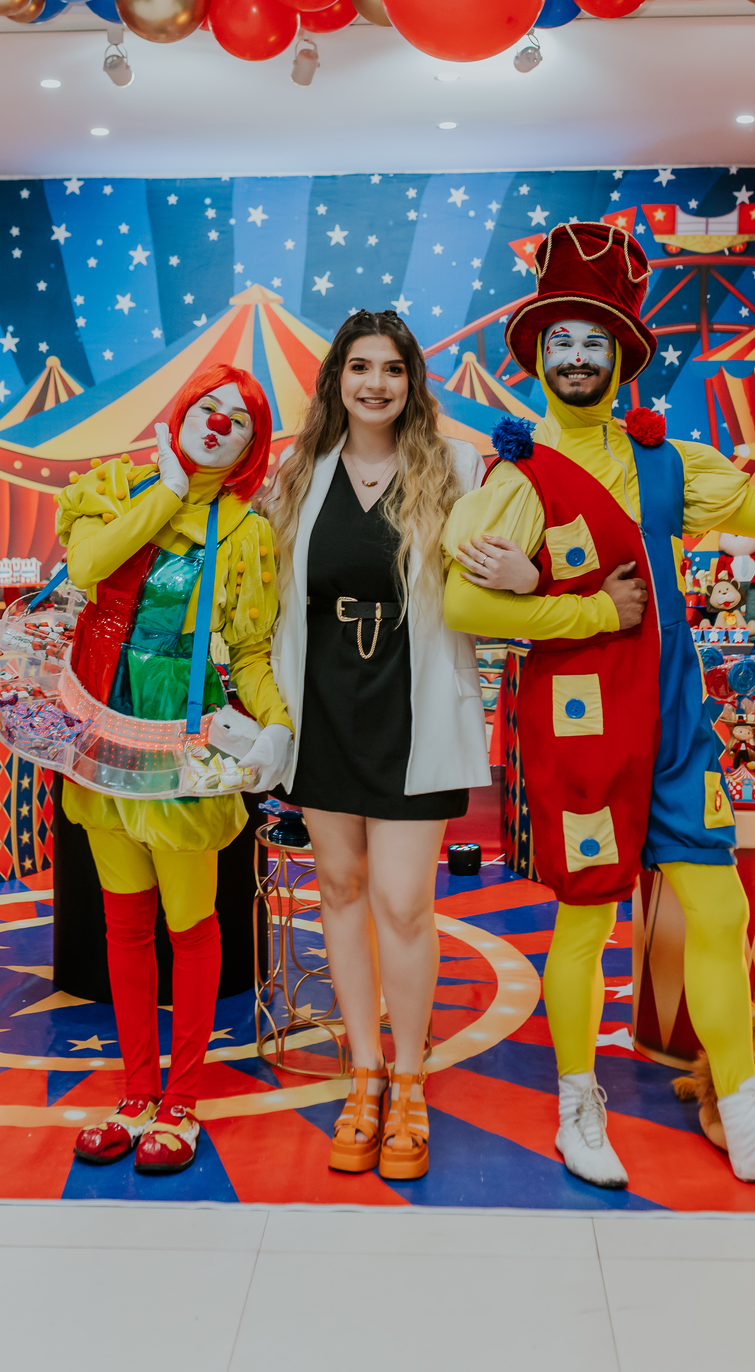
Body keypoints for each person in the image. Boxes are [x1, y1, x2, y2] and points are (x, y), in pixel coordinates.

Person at [444, 222, 755, 1187]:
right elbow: (462, 601)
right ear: (539, 357)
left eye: (596, 340)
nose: (578, 355)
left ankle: (749, 1117)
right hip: (582, 721)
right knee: (587, 922)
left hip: (674, 723)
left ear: (623, 355)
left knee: (715, 910)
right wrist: (584, 603)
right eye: (562, 340)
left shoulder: (670, 459)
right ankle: (577, 1106)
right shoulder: (515, 477)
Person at [268, 309, 490, 1181]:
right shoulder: (299, 475)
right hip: (322, 710)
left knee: (402, 900)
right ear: (336, 380)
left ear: (412, 381)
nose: (375, 383)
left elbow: (498, 574)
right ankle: (363, 1071)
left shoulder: (457, 467)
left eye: (391, 368)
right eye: (359, 367)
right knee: (339, 886)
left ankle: (410, 1078)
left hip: (412, 718)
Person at [56, 363, 293, 1175]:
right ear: (183, 409)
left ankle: (181, 1100)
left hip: (179, 737)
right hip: (99, 727)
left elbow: (253, 647)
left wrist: (278, 728)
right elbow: (88, 568)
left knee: (189, 921)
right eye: (210, 405)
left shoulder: (247, 532)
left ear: (252, 449)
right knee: (124, 920)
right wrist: (161, 491)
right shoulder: (114, 485)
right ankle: (133, 1092)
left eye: (242, 418)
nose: (220, 422)